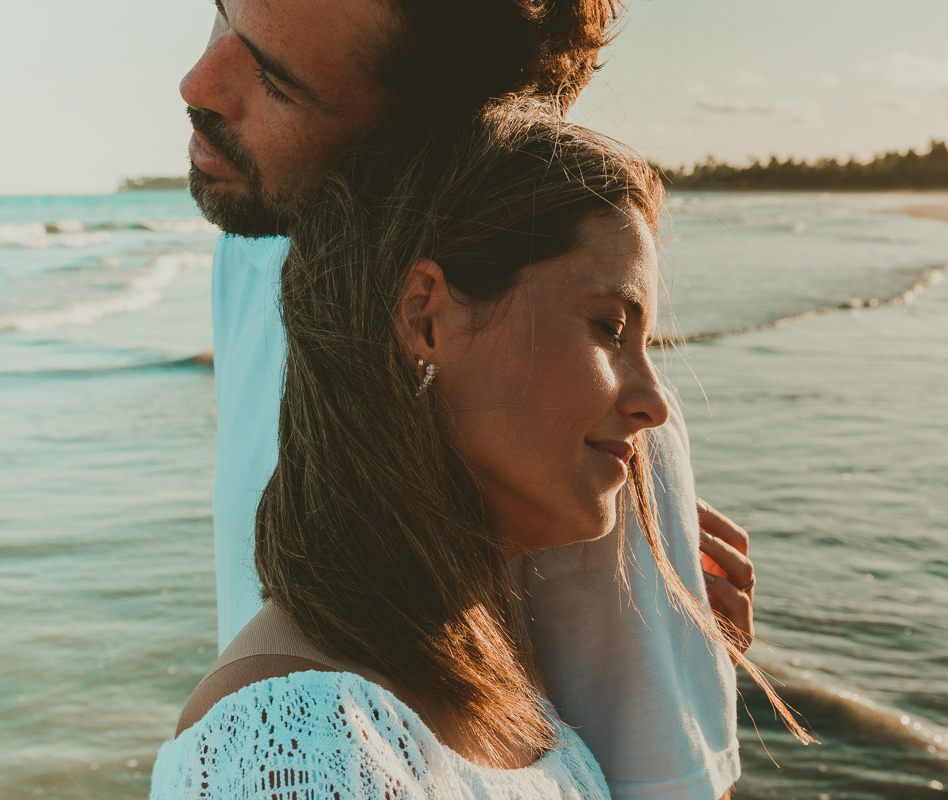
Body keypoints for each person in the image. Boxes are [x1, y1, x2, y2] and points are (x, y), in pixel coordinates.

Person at [179, 0, 765, 796]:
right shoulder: (252, 245)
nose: (196, 84)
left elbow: (667, 781)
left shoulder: (562, 411)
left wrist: (668, 636)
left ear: (435, 140)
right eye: (222, 16)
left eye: (278, 83)